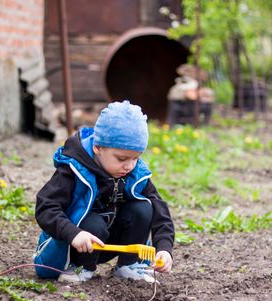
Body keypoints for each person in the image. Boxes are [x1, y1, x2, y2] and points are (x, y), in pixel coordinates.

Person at [34, 100, 174, 283]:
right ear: (98, 148)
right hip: (76, 244)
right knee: (93, 222)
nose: (129, 166)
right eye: (122, 158)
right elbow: (45, 207)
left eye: (136, 158)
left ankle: (128, 266)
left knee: (144, 207)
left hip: (110, 242)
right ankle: (81, 267)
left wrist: (164, 247)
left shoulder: (134, 172)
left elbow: (159, 209)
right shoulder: (73, 169)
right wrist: (72, 233)